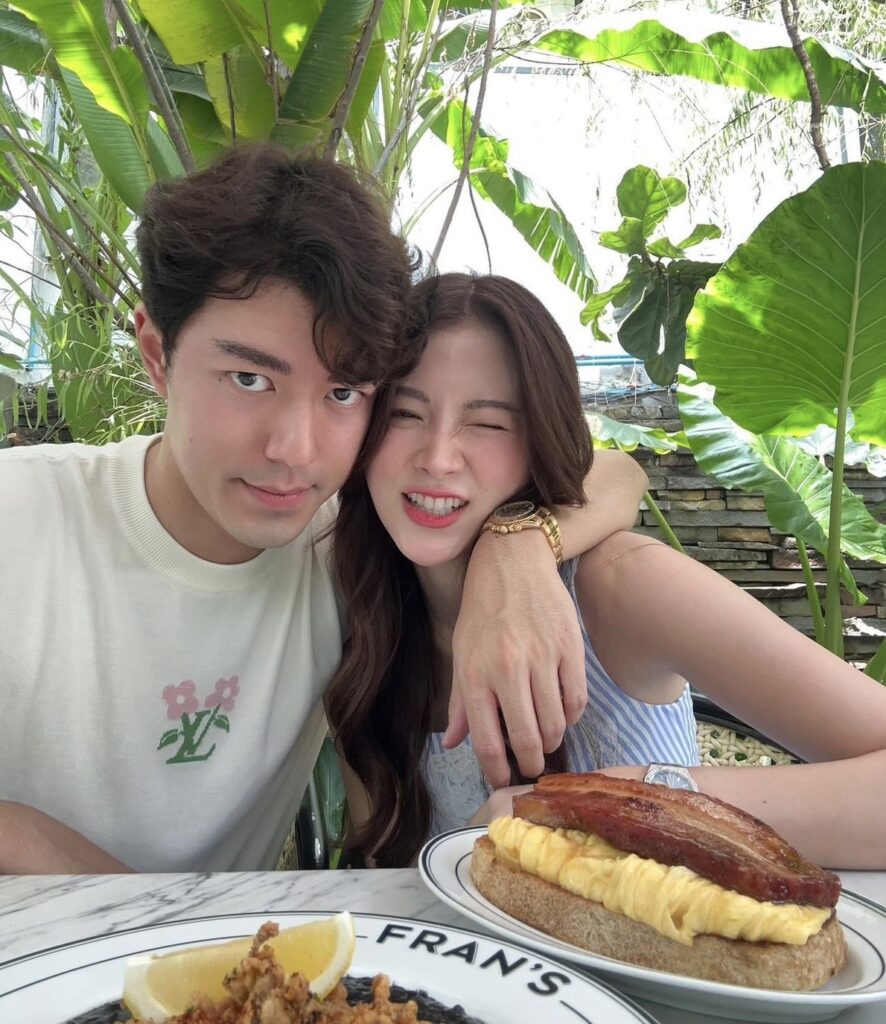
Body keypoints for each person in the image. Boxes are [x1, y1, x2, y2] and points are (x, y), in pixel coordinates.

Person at [0, 145, 646, 874]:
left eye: (343, 393)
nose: (295, 451)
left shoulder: (347, 549)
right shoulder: (19, 518)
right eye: (249, 378)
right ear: (157, 354)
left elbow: (621, 474)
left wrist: (516, 549)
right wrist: (24, 839)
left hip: (233, 952)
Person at [327, 272, 886, 871]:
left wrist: (628, 800)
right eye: (405, 413)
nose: (437, 458)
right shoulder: (361, 619)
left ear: (541, 440)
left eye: (488, 423)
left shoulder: (622, 585)